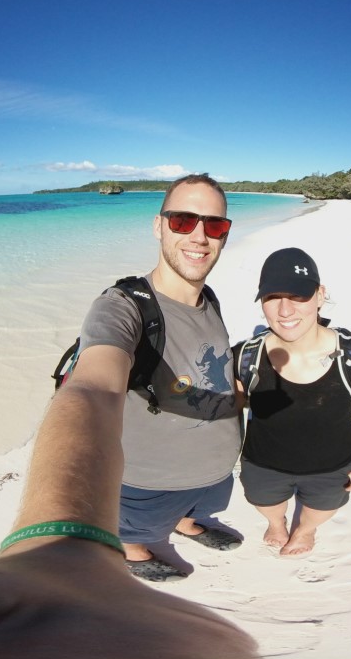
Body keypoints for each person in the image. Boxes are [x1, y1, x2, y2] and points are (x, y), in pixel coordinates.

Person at [65, 172, 245, 581]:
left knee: (196, 509)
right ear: (158, 225)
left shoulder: (209, 298)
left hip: (214, 474)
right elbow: (93, 384)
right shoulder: (122, 308)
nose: (199, 236)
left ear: (225, 234)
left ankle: (185, 522)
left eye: (214, 225)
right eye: (183, 220)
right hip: (149, 487)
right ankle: (131, 552)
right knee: (133, 531)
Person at [236, 247, 351, 556]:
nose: (285, 311)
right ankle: (277, 523)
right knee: (263, 501)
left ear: (320, 295)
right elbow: (227, 414)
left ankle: (306, 530)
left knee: (321, 507)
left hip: (333, 466)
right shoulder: (245, 357)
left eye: (298, 296)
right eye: (273, 297)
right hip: (262, 462)